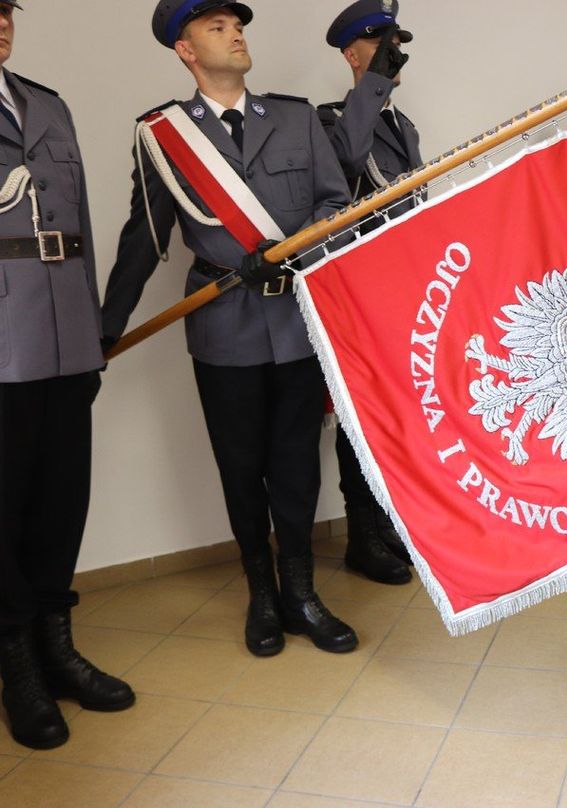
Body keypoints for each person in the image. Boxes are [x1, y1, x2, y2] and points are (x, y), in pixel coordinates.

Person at [101, 0, 358, 658]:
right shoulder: (164, 136)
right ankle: (262, 596)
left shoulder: (297, 119)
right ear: (186, 50)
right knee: (241, 468)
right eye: (216, 26)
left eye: (236, 23)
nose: (235, 32)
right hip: (223, 327)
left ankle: (301, 592)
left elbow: (337, 202)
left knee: (297, 465)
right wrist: (104, 328)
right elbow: (145, 239)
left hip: (299, 322)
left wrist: (298, 246)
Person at [0, 0, 135, 750]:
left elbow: (74, 223)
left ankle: (56, 644)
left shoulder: (46, 105)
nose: (0, 21)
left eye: (5, 8)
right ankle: (15, 659)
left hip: (62, 337)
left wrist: (89, 337)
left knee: (61, 499)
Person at [312, 0, 424, 585]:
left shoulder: (402, 126)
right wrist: (375, 81)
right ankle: (360, 533)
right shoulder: (331, 119)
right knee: (359, 419)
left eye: (395, 45)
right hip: (357, 291)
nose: (391, 54)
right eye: (379, 46)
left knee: (395, 417)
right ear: (353, 55)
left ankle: (384, 519)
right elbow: (346, 162)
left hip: (402, 286)